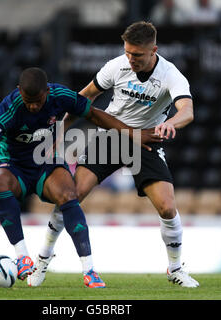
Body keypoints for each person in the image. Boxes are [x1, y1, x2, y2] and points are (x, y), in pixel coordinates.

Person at [0, 67, 161, 288]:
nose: (33, 106)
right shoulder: (8, 108)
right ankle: (22, 258)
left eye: (37, 100)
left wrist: (133, 134)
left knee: (69, 193)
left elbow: (95, 114)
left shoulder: (60, 96)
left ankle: (89, 271)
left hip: (45, 163)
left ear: (47, 91)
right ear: (19, 91)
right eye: (28, 100)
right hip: (14, 167)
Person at [29, 21, 199, 288]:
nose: (131, 59)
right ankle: (41, 261)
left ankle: (175, 268)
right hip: (112, 135)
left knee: (167, 207)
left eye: (138, 55)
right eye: (128, 52)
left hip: (146, 141)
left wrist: (170, 123)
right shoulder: (116, 66)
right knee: (70, 197)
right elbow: (83, 98)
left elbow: (187, 111)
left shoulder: (171, 75)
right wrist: (58, 135)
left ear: (153, 50)